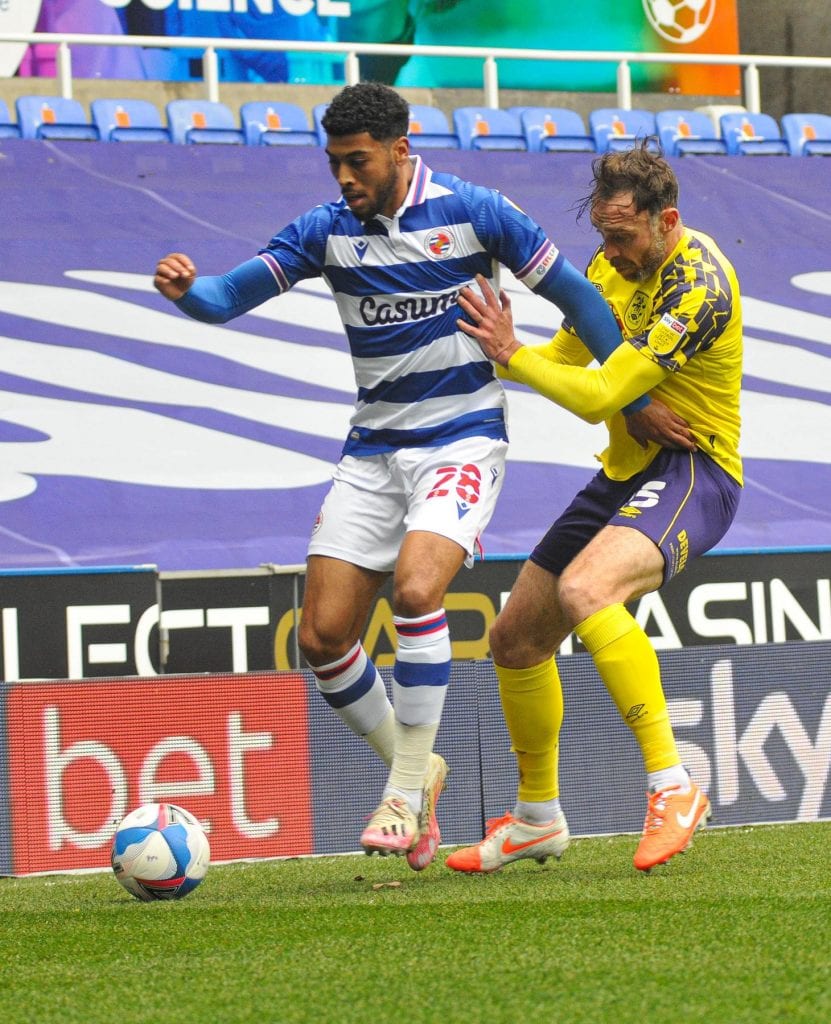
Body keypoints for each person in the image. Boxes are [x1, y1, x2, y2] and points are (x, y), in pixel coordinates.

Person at [153, 84, 682, 871]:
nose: (342, 177)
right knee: (323, 637)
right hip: (371, 450)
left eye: (356, 160)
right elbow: (230, 296)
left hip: (461, 440)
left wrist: (633, 402)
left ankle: (402, 793)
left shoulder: (477, 212)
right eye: (333, 163)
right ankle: (422, 769)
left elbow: (578, 298)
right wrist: (188, 291)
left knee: (415, 591)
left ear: (401, 149)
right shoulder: (324, 231)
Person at [446, 142, 742, 874]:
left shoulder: (697, 288)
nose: (609, 252)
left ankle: (672, 786)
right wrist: (509, 352)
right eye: (604, 236)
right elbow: (571, 362)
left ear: (665, 219)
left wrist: (513, 356)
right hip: (625, 472)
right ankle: (536, 818)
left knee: (585, 590)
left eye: (623, 236)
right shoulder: (611, 266)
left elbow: (596, 398)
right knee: (514, 639)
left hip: (695, 470)